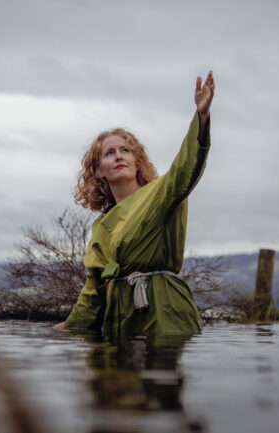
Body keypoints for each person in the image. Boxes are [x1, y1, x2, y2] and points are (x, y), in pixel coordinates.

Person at [54, 71, 215, 337]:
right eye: (109, 153)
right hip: (123, 326)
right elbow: (91, 298)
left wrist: (201, 117)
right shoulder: (101, 228)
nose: (119, 156)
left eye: (125, 150)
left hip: (164, 319)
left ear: (137, 161)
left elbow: (186, 170)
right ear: (99, 171)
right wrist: (59, 331)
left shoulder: (160, 193)